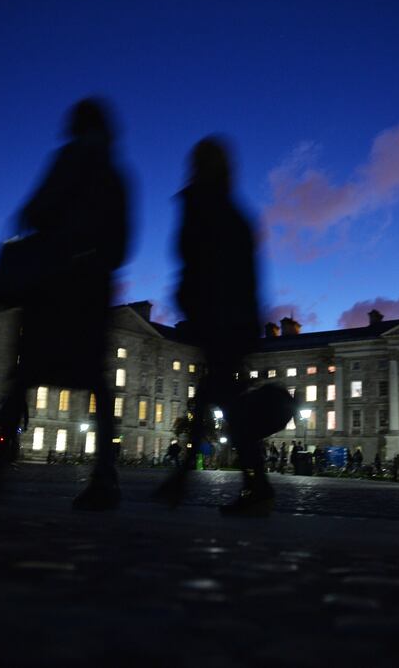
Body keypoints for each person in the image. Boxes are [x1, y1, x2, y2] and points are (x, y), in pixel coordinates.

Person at [0, 98, 130, 510]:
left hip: (55, 284)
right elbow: (123, 242)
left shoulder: (72, 156)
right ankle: (105, 476)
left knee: (24, 377)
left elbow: (38, 209)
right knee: (97, 384)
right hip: (91, 289)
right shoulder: (117, 175)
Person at [154, 136, 270, 515]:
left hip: (220, 318)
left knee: (217, 402)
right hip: (230, 320)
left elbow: (193, 259)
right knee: (213, 400)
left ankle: (246, 485)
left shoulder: (204, 204)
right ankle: (198, 481)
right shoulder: (233, 212)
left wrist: (195, 304)